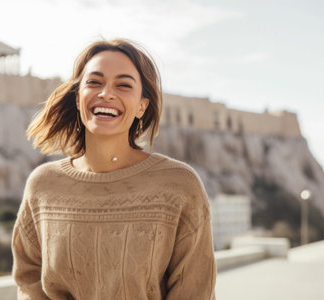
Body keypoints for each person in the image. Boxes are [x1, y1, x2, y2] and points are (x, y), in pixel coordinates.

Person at [12, 39, 216, 300]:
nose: (106, 93)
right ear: (77, 98)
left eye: (123, 85)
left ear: (142, 106)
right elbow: (29, 281)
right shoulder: (43, 184)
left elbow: (195, 290)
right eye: (94, 82)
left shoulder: (179, 184)